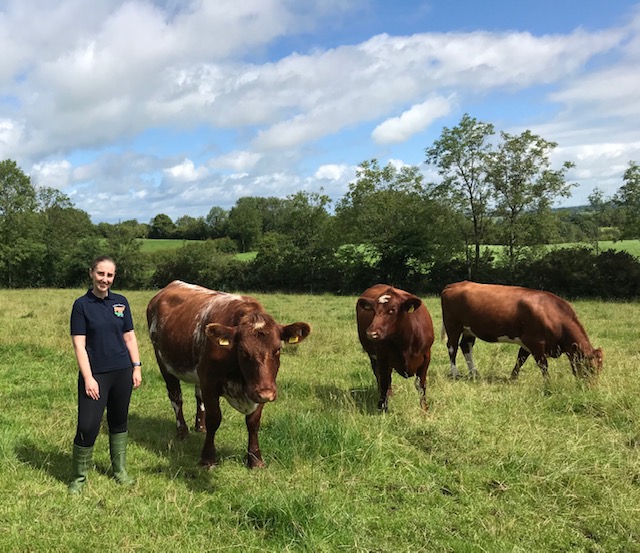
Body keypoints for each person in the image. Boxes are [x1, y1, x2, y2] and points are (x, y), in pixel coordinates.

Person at [68, 256, 142, 494]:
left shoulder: (121, 302)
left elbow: (129, 337)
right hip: (96, 374)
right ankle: (79, 478)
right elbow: (79, 346)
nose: (105, 279)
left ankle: (119, 471)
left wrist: (137, 366)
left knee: (118, 422)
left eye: (109, 275)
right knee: (87, 425)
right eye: (100, 274)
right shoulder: (81, 305)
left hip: (122, 372)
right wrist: (88, 378)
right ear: (91, 273)